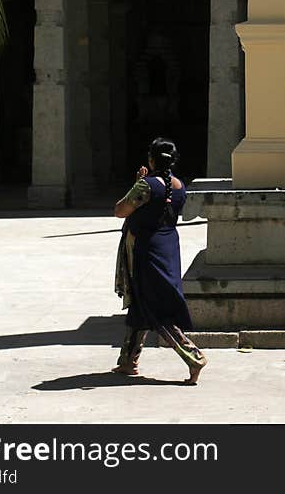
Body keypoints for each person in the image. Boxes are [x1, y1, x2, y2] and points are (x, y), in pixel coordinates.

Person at [112, 137, 207, 384]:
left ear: (151, 159)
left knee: (154, 309)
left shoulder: (145, 185)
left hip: (145, 250)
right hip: (167, 248)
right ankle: (128, 361)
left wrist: (136, 184)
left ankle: (194, 357)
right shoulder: (178, 186)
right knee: (142, 305)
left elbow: (120, 210)